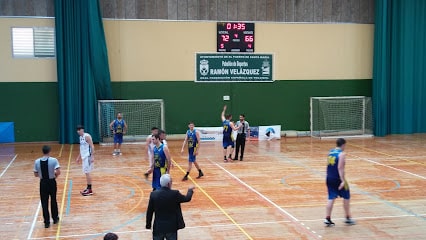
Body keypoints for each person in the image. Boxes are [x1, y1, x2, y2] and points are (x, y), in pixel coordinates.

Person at [146, 174, 194, 240]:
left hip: (158, 227)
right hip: (171, 227)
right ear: (168, 184)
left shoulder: (154, 194)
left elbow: (149, 211)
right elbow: (187, 198)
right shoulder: (175, 194)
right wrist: (190, 190)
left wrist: (148, 225)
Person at [324, 138, 356, 226]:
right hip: (338, 179)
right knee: (346, 196)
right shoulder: (341, 154)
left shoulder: (330, 152)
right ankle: (348, 217)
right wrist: (342, 180)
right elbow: (340, 168)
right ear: (343, 145)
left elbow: (328, 166)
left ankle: (327, 218)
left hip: (329, 177)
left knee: (331, 198)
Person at [33, 145, 60, 228]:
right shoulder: (54, 160)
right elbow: (58, 171)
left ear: (43, 151)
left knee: (44, 202)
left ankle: (47, 222)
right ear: (49, 151)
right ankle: (55, 218)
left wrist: (42, 176)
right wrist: (54, 176)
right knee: (53, 200)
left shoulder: (37, 161)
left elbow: (35, 174)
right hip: (51, 182)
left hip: (43, 183)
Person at [76, 125, 95, 196]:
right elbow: (82, 148)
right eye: (77, 130)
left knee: (87, 172)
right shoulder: (80, 137)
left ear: (82, 130)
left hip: (88, 157)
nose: (78, 131)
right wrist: (78, 157)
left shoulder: (87, 136)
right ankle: (88, 188)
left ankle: (90, 189)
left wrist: (92, 156)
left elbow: (92, 146)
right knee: (86, 172)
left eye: (79, 130)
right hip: (84, 157)